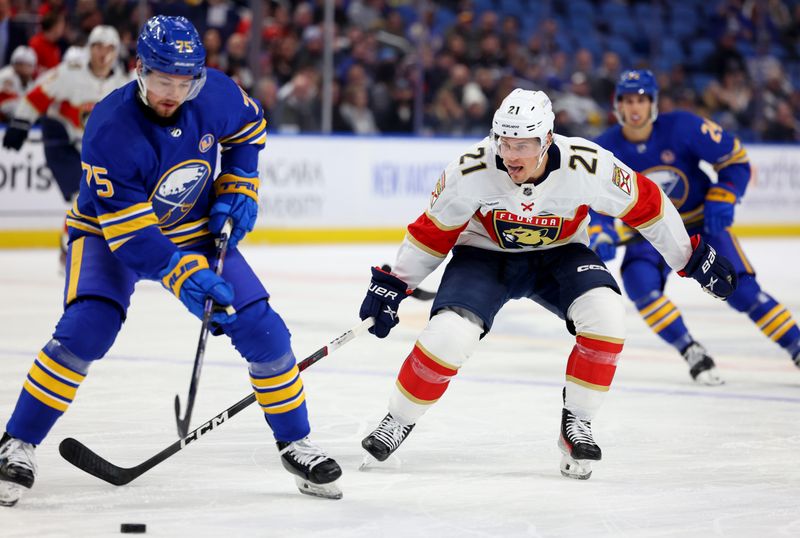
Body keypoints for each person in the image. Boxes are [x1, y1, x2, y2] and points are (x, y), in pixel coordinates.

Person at [0, 15, 342, 508]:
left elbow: (249, 129)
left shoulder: (216, 94)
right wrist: (185, 275)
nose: (174, 93)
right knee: (88, 327)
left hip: (193, 229)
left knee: (264, 331)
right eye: (163, 80)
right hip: (106, 232)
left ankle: (296, 443)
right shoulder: (109, 126)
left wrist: (239, 184)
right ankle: (19, 441)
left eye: (186, 82)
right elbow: (134, 238)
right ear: (140, 70)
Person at [356, 88, 737, 481]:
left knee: (607, 318)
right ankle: (398, 420)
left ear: (548, 140)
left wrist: (688, 258)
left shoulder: (587, 166)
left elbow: (648, 205)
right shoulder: (470, 170)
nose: (511, 154)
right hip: (485, 257)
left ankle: (578, 424)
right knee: (449, 336)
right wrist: (395, 284)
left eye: (524, 144)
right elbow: (433, 231)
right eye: (504, 141)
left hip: (561, 255)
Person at [589, 70, 800, 385]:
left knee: (744, 293)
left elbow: (736, 161)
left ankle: (796, 346)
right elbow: (596, 201)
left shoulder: (684, 126)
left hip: (702, 224)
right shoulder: (602, 150)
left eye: (642, 100)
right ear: (617, 105)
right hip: (650, 232)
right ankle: (691, 351)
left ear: (654, 103)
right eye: (628, 100)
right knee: (640, 286)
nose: (635, 108)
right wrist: (600, 232)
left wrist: (724, 194)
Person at [2, 25, 129, 265]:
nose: (103, 54)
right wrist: (21, 123)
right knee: (81, 194)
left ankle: (78, 246)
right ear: (89, 49)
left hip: (97, 152)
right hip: (63, 143)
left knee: (98, 198)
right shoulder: (70, 74)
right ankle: (69, 247)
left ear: (117, 51)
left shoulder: (124, 83)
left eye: (109, 48)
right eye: (98, 47)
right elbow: (37, 95)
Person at [0, 46, 37, 121]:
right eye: (19, 63)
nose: (23, 67)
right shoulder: (6, 77)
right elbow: (7, 108)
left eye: (27, 65)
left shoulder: (29, 81)